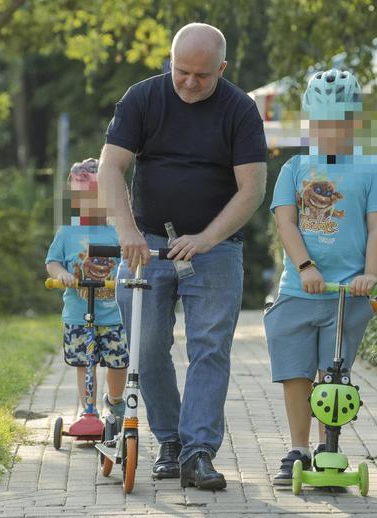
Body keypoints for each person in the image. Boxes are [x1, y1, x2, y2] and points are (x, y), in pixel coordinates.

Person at [98, 23, 267, 490]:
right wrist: (127, 231)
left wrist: (208, 238)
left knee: (209, 348)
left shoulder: (240, 109)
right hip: (147, 244)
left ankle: (198, 453)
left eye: (202, 76)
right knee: (146, 348)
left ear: (222, 69)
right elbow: (110, 167)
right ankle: (168, 441)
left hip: (215, 251)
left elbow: (252, 189)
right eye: (182, 72)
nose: (190, 83)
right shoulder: (143, 98)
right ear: (170, 62)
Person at [263, 69, 377, 485]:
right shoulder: (295, 167)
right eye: (321, 123)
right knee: (296, 374)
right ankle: (297, 448)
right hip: (299, 290)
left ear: (354, 120)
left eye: (339, 122)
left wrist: (370, 274)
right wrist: (305, 268)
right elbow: (286, 224)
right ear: (310, 122)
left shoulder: (371, 171)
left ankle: (328, 448)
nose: (330, 131)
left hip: (347, 294)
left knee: (333, 375)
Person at [45, 158, 128, 419]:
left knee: (118, 362)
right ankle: (88, 412)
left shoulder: (117, 231)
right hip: (79, 314)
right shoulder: (67, 233)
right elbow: (52, 261)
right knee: (85, 363)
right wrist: (62, 275)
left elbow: (130, 259)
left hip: (114, 315)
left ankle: (114, 401)